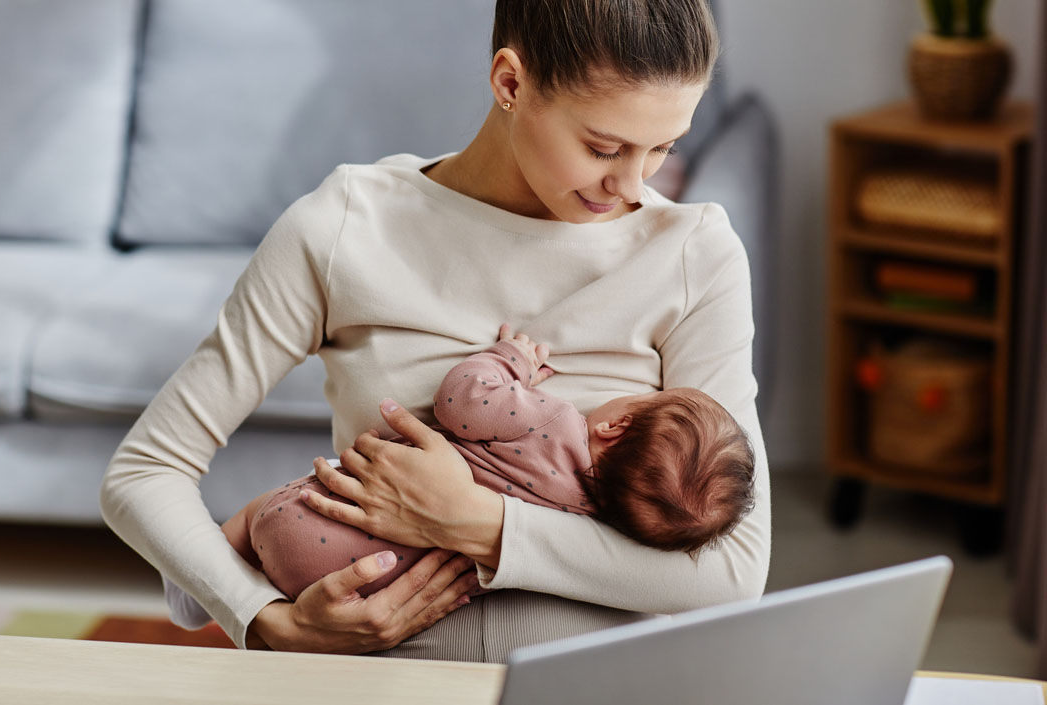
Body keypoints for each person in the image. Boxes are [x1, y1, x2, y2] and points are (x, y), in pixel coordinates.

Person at [101, 0, 771, 663]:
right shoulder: (346, 226)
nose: (630, 185)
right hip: (384, 679)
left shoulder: (692, 252)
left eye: (662, 148)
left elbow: (733, 573)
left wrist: (475, 522)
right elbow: (145, 470)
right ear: (511, 82)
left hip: (593, 684)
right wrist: (263, 619)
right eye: (604, 147)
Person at [162, 324, 756, 627]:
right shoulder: (587, 521)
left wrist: (509, 361)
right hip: (374, 586)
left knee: (257, 514)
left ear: (616, 424)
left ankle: (203, 587)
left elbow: (462, 402)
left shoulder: (552, 418)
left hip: (311, 518)